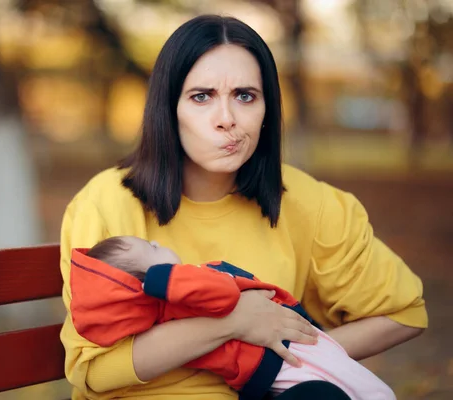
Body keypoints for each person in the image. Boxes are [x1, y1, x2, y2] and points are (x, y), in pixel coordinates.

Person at [58, 14, 427, 400]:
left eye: (245, 96)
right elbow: (94, 371)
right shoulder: (105, 204)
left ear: (267, 109)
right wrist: (234, 322)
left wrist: (290, 358)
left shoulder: (310, 203)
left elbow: (404, 314)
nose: (227, 120)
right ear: (168, 109)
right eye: (201, 97)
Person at [69, 235, 396, 400]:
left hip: (270, 361)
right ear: (154, 273)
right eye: (149, 246)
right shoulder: (178, 285)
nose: (156, 240)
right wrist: (165, 278)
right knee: (350, 387)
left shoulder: (170, 304)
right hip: (272, 361)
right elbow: (225, 297)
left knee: (342, 384)